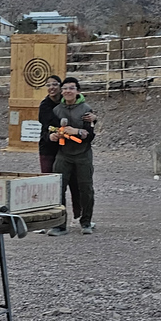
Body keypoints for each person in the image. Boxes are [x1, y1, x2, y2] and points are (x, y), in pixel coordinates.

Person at [47, 76, 98, 236]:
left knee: (86, 188)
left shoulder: (86, 109)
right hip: (63, 154)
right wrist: (52, 136)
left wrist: (76, 132)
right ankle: (59, 225)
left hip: (83, 154)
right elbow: (49, 129)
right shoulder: (56, 110)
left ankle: (86, 222)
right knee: (58, 188)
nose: (67, 91)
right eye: (65, 88)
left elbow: (90, 135)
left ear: (77, 91)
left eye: (71, 88)